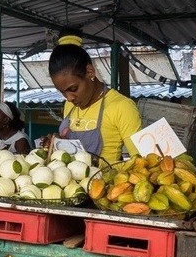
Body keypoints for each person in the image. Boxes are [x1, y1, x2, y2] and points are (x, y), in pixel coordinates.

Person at [48, 33, 141, 164]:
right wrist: (58, 143)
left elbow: (141, 162)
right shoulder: (70, 105)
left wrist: (101, 165)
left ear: (90, 71)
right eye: (62, 92)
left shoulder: (121, 107)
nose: (69, 98)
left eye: (73, 89)